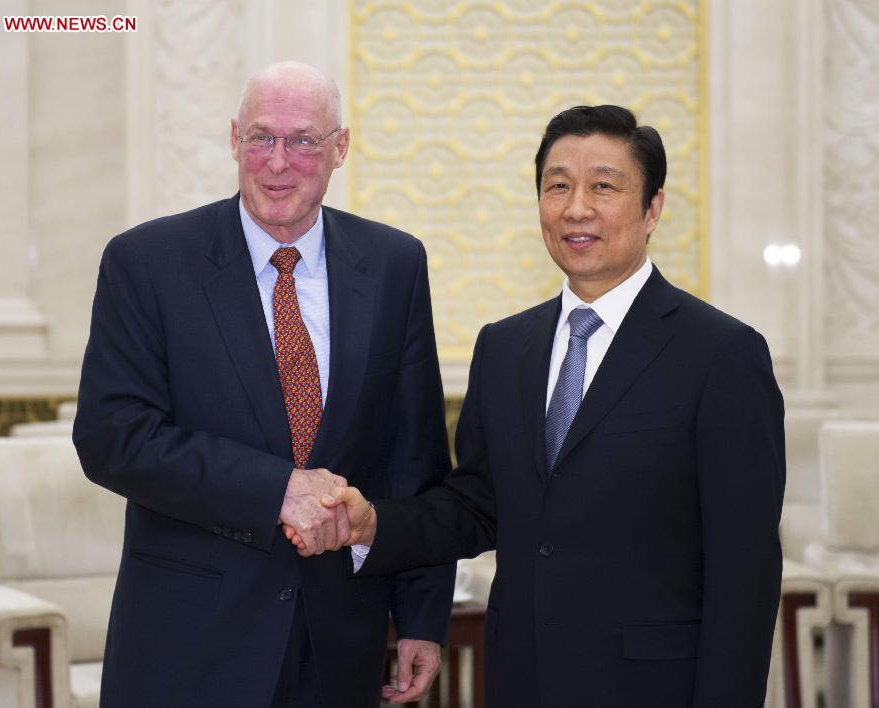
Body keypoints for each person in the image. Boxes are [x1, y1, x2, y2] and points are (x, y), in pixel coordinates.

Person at [290, 105, 786, 707]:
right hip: (523, 678)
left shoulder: (721, 354)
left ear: (653, 208)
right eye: (558, 186)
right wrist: (374, 524)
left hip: (654, 686)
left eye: (604, 185)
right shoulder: (504, 347)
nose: (577, 207)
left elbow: (746, 574)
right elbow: (475, 505)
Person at [73, 61, 455, 708]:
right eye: (260, 138)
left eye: (303, 140)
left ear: (340, 148)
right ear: (233, 140)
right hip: (186, 643)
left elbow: (413, 457)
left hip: (338, 645)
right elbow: (114, 437)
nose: (277, 162)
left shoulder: (394, 266)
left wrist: (421, 615)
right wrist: (277, 489)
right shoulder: (146, 264)